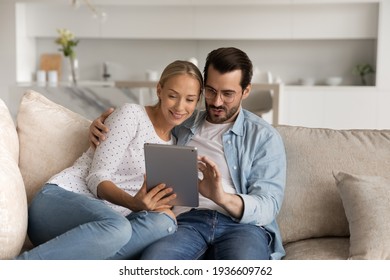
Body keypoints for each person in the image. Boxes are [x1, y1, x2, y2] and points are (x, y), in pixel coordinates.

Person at [90, 47, 287, 260]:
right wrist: (100, 124)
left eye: (228, 94)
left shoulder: (264, 137)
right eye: (211, 90)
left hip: (241, 227)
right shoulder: (181, 121)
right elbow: (143, 123)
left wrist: (221, 197)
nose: (217, 102)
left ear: (245, 91)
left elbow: (269, 205)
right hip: (185, 223)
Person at [16, 60, 203, 260]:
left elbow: (156, 203)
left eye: (190, 100)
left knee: (165, 223)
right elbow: (96, 177)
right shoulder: (132, 115)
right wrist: (134, 203)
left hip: (106, 230)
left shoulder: (175, 144)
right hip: (59, 201)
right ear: (159, 90)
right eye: (173, 96)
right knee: (118, 228)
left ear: (198, 101)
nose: (180, 106)